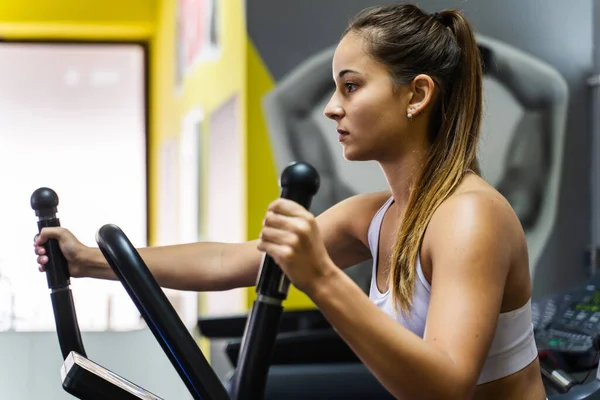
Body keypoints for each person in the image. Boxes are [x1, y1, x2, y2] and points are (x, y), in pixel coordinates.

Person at [34, 4, 546, 399]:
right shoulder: (378, 214)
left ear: (416, 95)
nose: (331, 108)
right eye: (334, 87)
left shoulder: (468, 217)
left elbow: (445, 387)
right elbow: (229, 260)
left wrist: (320, 277)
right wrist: (92, 261)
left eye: (351, 87)